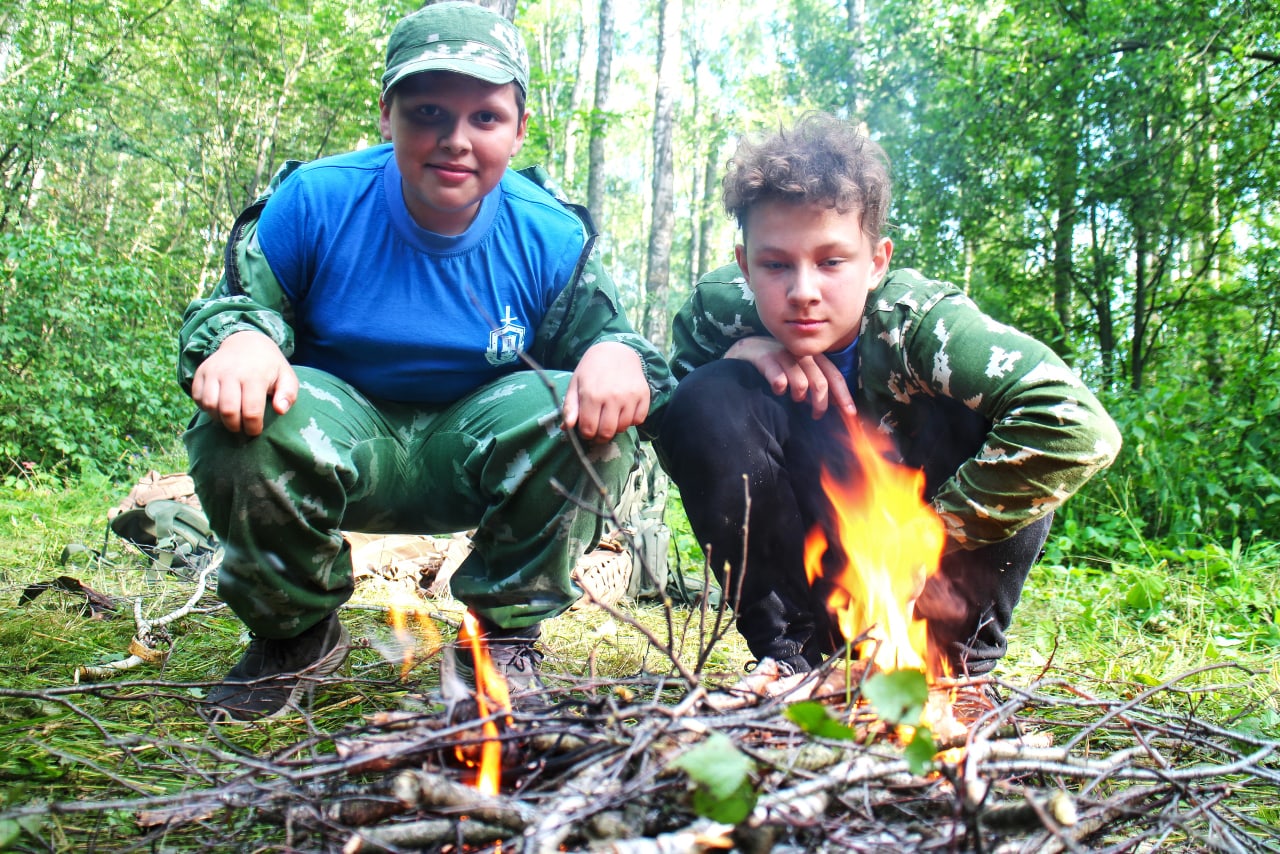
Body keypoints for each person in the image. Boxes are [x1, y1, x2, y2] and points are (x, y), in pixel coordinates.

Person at [178, 1, 673, 721]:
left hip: (476, 446)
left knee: (589, 416)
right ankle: (294, 634)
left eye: (485, 118)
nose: (456, 141)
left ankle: (499, 642)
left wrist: (615, 357)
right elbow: (232, 309)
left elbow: (621, 347)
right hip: (339, 436)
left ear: (520, 128)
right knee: (239, 415)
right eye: (429, 113)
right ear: (387, 116)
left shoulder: (550, 235)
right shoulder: (315, 201)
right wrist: (244, 338)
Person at [657, 113, 1121, 680]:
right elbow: (671, 416)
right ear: (744, 266)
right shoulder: (717, 314)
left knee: (995, 415)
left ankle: (956, 672)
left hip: (932, 589)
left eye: (831, 262)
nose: (803, 291)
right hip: (820, 586)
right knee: (708, 399)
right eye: (775, 264)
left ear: (876, 262)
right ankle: (791, 663)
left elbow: (1079, 428)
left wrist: (925, 537)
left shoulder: (925, 327)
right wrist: (737, 357)